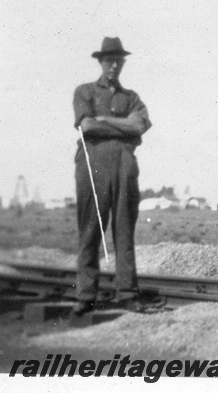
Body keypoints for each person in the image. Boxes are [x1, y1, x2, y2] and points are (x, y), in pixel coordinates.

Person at [72, 37, 154, 315]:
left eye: (118, 61)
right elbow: (86, 126)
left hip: (125, 166)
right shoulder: (84, 91)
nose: (114, 66)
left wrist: (105, 120)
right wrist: (123, 126)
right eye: (109, 60)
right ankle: (85, 295)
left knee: (123, 230)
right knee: (90, 230)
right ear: (100, 62)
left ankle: (128, 293)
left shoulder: (132, 97)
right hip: (92, 165)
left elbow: (139, 126)